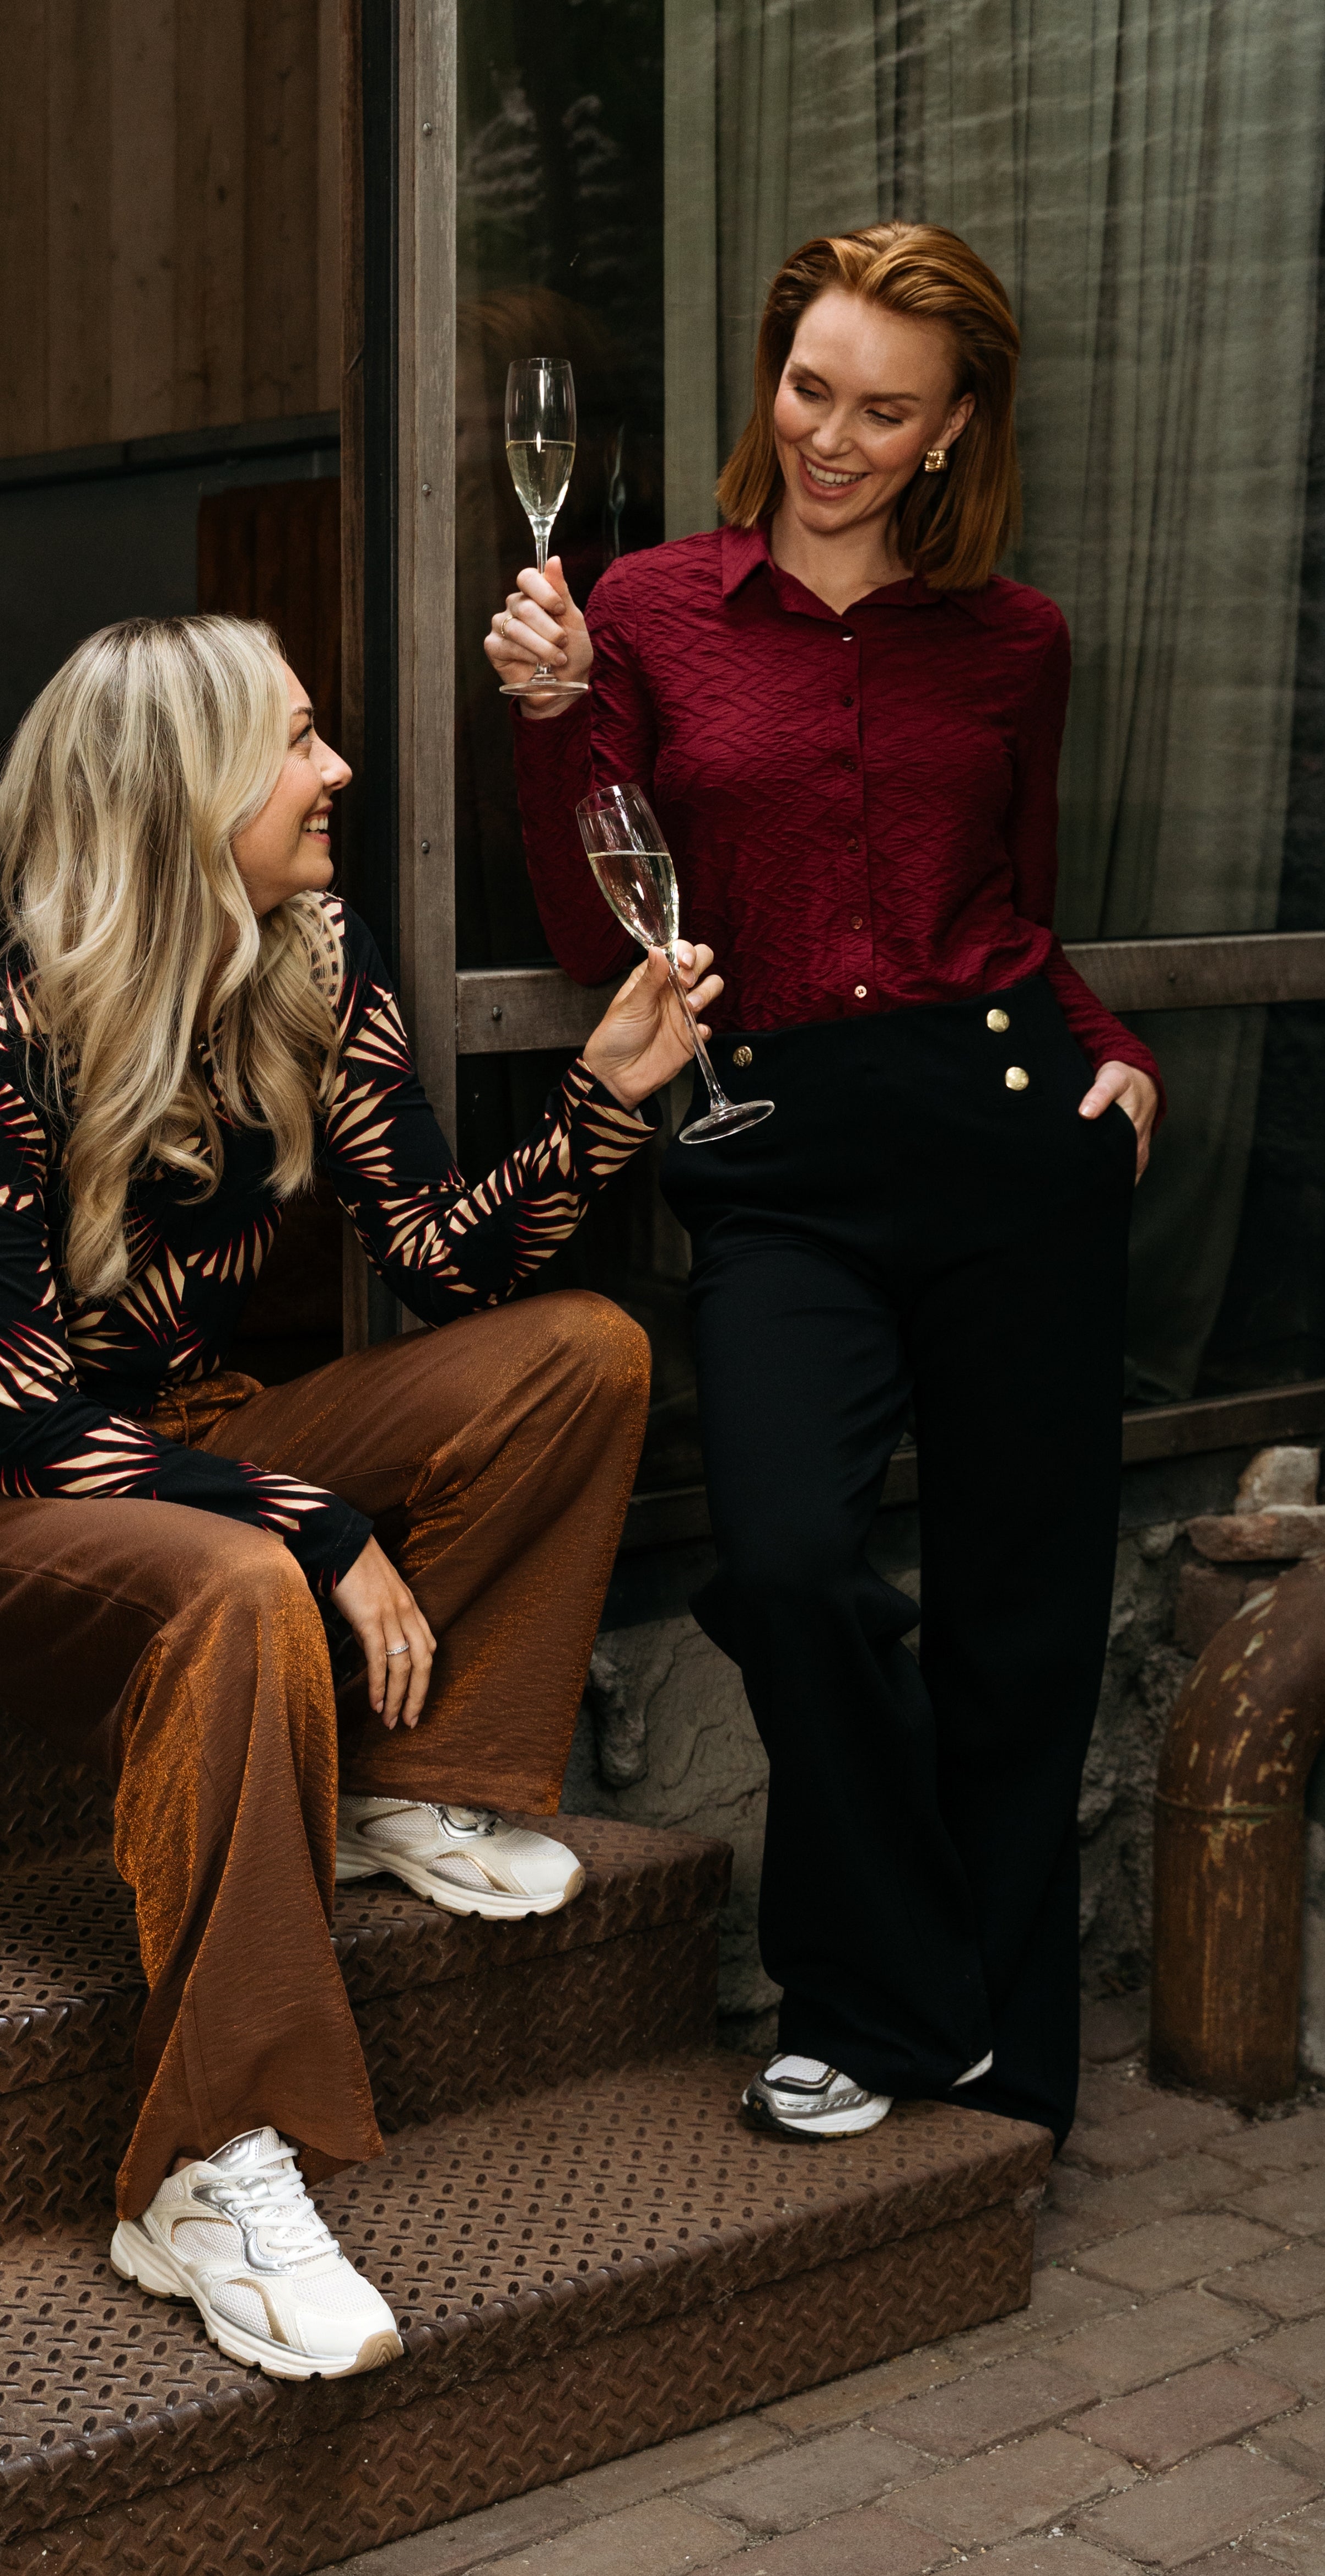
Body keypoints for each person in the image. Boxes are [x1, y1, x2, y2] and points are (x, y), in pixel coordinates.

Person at [0, 614, 716, 2383]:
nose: (338, 772)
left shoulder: (318, 960)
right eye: (297, 741)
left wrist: (605, 1105)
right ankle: (206, 2169)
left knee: (583, 1354)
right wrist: (312, 1524)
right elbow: (26, 1423)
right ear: (182, 790)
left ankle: (408, 1782)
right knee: (239, 1583)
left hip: (185, 1428)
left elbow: (444, 1261)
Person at [486, 222, 1162, 2155]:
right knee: (786, 1563)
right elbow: (590, 925)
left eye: (885, 411)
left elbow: (1017, 914)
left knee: (1024, 1624)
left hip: (1010, 1132)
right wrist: (553, 719)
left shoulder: (1016, 642)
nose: (834, 440)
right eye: (810, 390)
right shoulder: (646, 611)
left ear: (955, 429)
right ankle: (903, 1984)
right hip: (780, 1157)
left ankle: (978, 2059)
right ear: (770, 373)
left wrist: (1117, 1055)